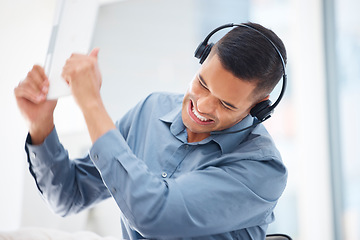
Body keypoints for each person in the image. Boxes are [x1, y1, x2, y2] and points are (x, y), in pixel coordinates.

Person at [14, 22, 288, 240]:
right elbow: (68, 197)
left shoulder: (262, 170)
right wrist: (41, 125)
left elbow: (153, 215)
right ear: (202, 58)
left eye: (226, 104)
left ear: (258, 109)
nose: (202, 106)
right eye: (202, 83)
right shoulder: (151, 110)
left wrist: (91, 104)